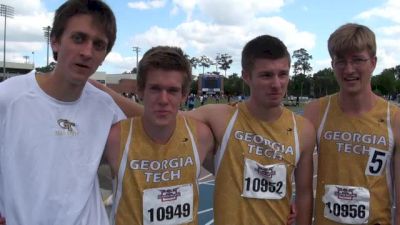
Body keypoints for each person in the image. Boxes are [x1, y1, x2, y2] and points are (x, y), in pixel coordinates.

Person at [95, 35, 315, 225]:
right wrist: (99, 88)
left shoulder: (302, 130)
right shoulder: (219, 118)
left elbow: (304, 194)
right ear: (246, 76)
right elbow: (161, 116)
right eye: (267, 75)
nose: (276, 84)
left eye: (283, 74)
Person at [0, 1, 125, 224]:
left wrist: (105, 89)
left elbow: (154, 126)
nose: (87, 52)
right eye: (79, 38)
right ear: (55, 41)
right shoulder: (9, 97)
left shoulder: (106, 107)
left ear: (105, 55)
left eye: (98, 45)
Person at [104, 46, 214, 225]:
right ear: (140, 90)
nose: (163, 100)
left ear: (184, 95)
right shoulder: (114, 138)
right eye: (155, 89)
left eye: (172, 91)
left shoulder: (201, 136)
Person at [304, 23, 400, 225]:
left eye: (357, 60)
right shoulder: (316, 112)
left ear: (373, 63)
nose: (349, 69)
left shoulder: (395, 119)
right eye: (340, 61)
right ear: (332, 65)